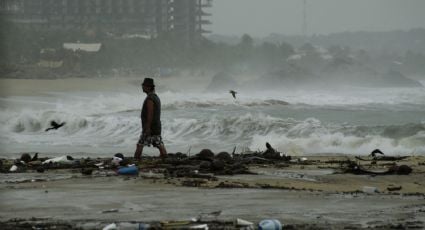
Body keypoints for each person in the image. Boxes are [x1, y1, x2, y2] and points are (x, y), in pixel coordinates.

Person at [134, 78, 167, 160]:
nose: (142, 87)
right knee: (159, 144)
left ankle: (136, 161)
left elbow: (150, 113)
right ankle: (165, 158)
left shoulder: (150, 98)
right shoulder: (155, 97)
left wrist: (147, 127)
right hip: (156, 126)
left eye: (144, 85)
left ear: (149, 87)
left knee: (140, 144)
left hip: (151, 127)